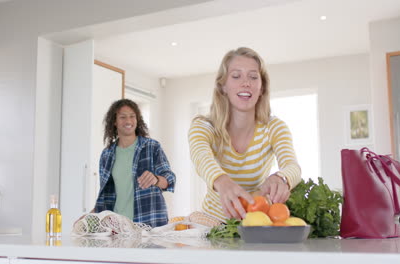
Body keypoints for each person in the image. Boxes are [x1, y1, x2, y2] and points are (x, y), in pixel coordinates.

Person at [188, 47, 301, 222]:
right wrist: (221, 181)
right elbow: (201, 156)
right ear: (223, 86)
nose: (246, 82)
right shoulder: (203, 126)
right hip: (212, 224)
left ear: (261, 87)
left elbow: (292, 166)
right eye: (236, 76)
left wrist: (282, 178)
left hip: (257, 222)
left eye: (253, 76)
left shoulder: (274, 127)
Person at [93, 99, 176, 227]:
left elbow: (169, 179)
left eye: (132, 116)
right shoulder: (107, 154)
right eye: (123, 117)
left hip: (148, 223)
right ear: (114, 122)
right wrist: (90, 217)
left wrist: (155, 179)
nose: (128, 121)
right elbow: (105, 197)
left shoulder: (151, 147)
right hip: (117, 227)